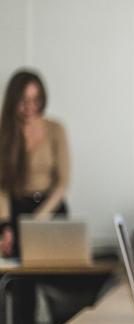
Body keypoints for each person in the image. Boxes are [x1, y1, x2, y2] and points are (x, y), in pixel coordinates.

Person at [0, 69, 70, 258]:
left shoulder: (55, 129)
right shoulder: (5, 132)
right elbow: (3, 187)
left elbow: (62, 183)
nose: (30, 106)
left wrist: (37, 221)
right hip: (17, 210)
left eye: (35, 99)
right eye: (23, 100)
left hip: (50, 208)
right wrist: (5, 226)